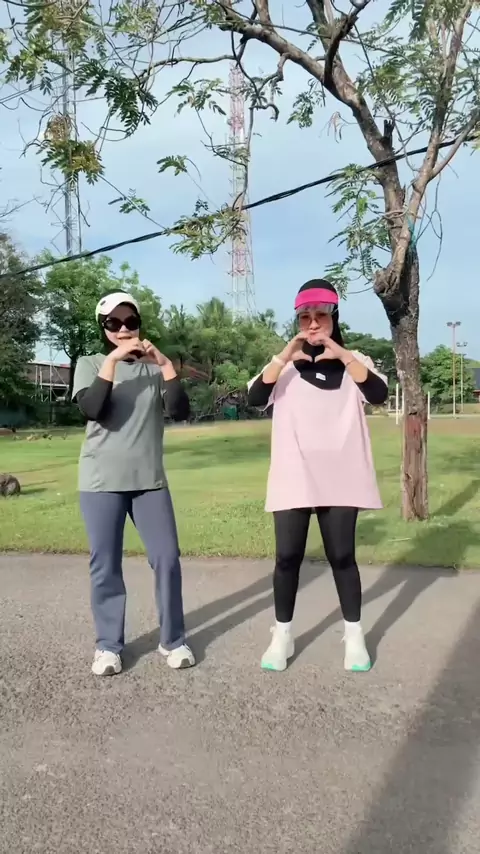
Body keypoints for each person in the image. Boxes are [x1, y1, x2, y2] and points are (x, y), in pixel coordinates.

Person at [247, 279, 388, 673]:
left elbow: (377, 394)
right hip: (294, 473)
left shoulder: (354, 360)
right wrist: (285, 354)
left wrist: (340, 352)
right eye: (305, 317)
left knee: (342, 556)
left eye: (321, 315)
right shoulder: (283, 366)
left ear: (334, 316)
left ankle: (354, 637)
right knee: (287, 557)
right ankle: (282, 636)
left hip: (342, 474)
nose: (312, 324)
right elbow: (255, 398)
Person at [72, 291, 195, 676]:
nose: (124, 329)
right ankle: (108, 646)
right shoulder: (91, 363)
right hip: (100, 481)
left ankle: (173, 640)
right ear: (104, 328)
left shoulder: (154, 369)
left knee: (167, 559)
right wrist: (112, 360)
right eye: (114, 323)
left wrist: (164, 364)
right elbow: (93, 409)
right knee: (105, 564)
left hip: (149, 481)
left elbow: (180, 410)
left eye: (131, 322)